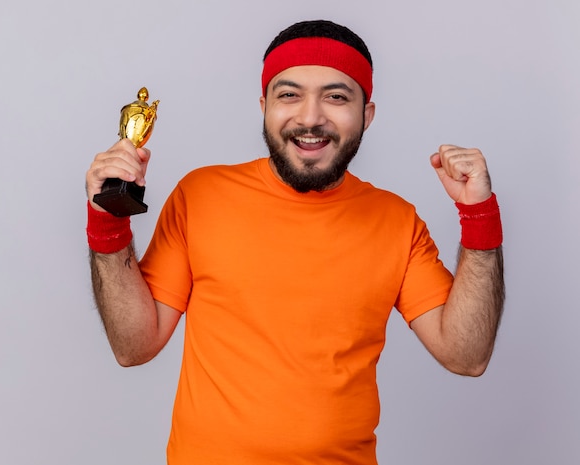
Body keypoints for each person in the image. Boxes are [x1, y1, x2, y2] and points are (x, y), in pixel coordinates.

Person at [85, 19, 504, 465]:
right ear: (264, 105)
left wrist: (478, 216)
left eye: (337, 96)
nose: (310, 117)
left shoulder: (397, 221)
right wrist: (108, 222)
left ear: (368, 113)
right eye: (289, 94)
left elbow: (467, 355)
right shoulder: (200, 196)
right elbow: (134, 346)